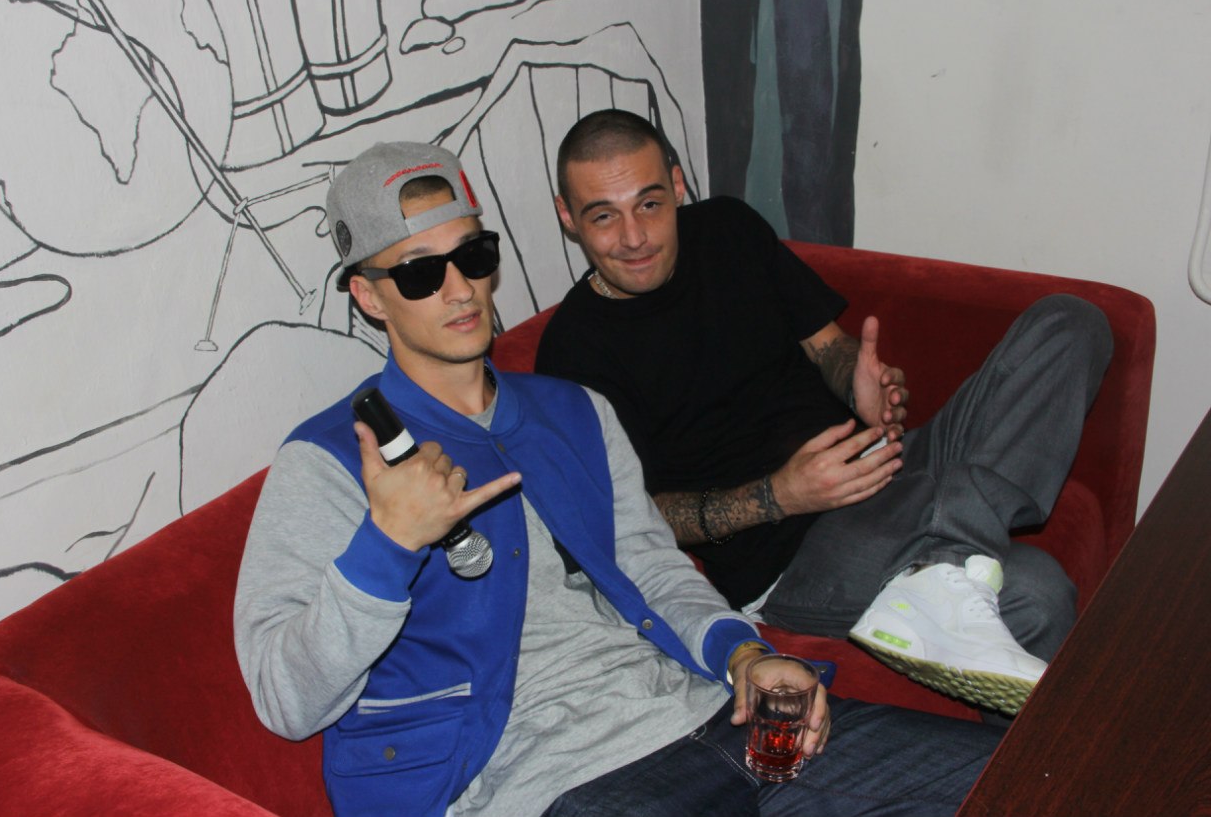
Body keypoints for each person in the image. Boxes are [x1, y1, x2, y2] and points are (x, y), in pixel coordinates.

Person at [233, 141, 1002, 817]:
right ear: (368, 296)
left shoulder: (574, 410)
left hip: (715, 721)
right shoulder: (329, 460)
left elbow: (650, 564)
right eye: (420, 273)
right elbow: (284, 697)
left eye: (474, 255)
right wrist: (388, 543)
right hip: (559, 781)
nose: (460, 288)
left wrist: (747, 656)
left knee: (1019, 781)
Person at [535, 109, 1113, 717]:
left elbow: (828, 347)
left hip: (889, 468)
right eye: (604, 216)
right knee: (1038, 593)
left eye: (649, 204)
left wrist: (861, 384)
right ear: (568, 217)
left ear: (677, 186)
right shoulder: (573, 353)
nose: (634, 237)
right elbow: (627, 523)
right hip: (795, 558)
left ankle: (945, 561)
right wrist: (779, 495)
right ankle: (953, 563)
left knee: (1071, 323)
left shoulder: (729, 227)